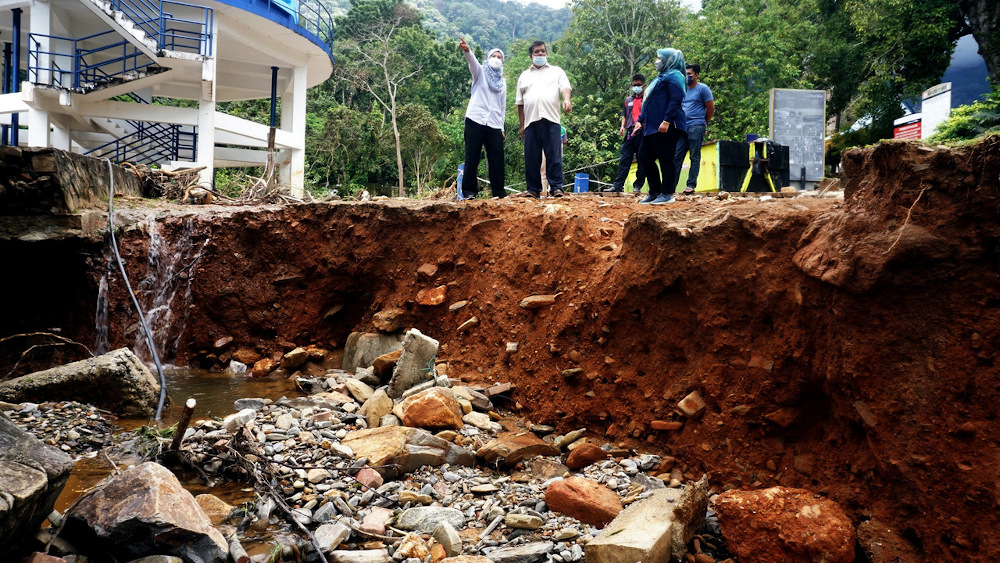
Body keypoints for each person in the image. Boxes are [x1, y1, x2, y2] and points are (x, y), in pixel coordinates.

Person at [516, 40, 572, 198]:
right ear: (531, 56)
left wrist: (566, 100)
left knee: (554, 155)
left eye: (542, 51)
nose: (540, 54)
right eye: (536, 52)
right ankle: (533, 189)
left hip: (551, 119)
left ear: (546, 53)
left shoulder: (556, 71)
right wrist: (522, 125)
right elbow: (520, 102)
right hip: (530, 121)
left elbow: (565, 87)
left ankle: (556, 188)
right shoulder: (524, 76)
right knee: (531, 157)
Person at [636, 47, 687, 205]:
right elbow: (648, 102)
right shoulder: (660, 77)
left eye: (660, 58)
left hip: (666, 125)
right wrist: (640, 120)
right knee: (644, 157)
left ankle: (667, 193)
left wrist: (666, 121)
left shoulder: (675, 77)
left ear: (670, 60)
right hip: (651, 127)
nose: (657, 61)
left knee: (666, 159)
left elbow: (675, 100)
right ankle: (655, 192)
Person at [458, 37, 507, 199]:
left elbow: (502, 106)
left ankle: (499, 192)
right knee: (472, 155)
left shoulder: (503, 83)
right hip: (475, 119)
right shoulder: (480, 73)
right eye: (494, 56)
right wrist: (467, 50)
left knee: (497, 158)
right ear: (488, 58)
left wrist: (501, 127)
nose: (496, 59)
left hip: (494, 124)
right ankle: (469, 192)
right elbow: (472, 62)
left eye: (499, 57)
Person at [673, 63, 714, 195]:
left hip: (696, 126)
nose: (687, 76)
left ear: (696, 75)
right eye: (685, 74)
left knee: (694, 156)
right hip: (681, 127)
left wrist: (703, 122)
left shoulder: (703, 89)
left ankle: (690, 185)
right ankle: (670, 186)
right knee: (677, 156)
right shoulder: (682, 89)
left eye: (689, 74)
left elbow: (710, 108)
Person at [604, 73, 647, 193]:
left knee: (641, 160)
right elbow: (625, 115)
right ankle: (618, 185)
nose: (636, 87)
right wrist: (622, 126)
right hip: (629, 132)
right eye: (634, 85)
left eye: (638, 85)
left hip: (642, 132)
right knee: (624, 159)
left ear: (644, 85)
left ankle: (637, 186)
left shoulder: (647, 100)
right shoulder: (628, 100)